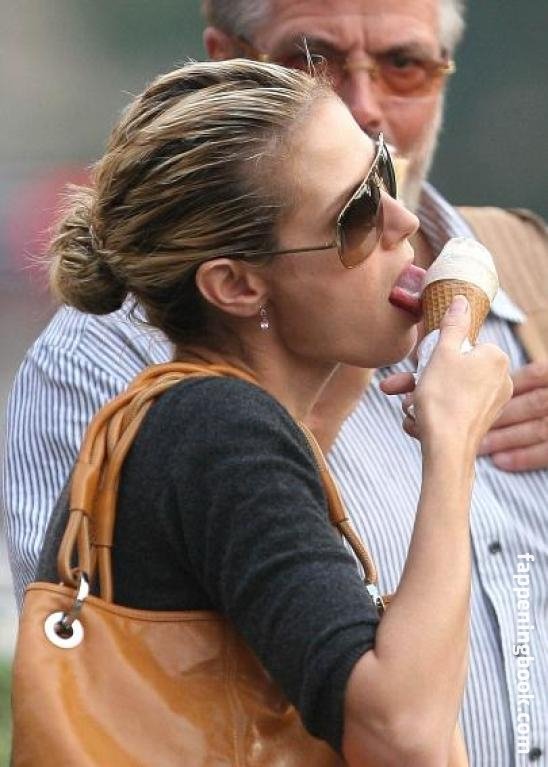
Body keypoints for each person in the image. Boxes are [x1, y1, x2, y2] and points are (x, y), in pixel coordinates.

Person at [2, 0, 547, 762]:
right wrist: (451, 440)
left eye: (383, 175)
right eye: (356, 213)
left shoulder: (224, 419)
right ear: (236, 285)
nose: (401, 222)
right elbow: (403, 734)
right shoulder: (216, 426)